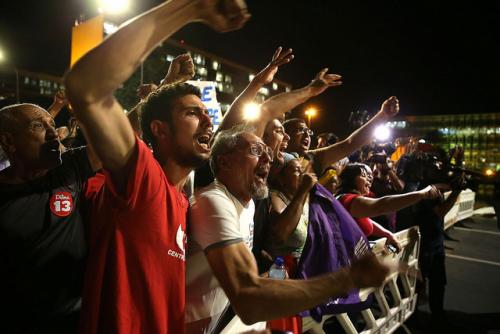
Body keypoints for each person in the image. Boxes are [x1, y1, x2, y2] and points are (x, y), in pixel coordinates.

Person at [64, 1, 250, 333]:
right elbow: (87, 90)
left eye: (206, 113)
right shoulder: (141, 178)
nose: (208, 119)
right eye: (193, 113)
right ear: (159, 131)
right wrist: (191, 8)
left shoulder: (181, 201)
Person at [185, 126, 391, 333]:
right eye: (256, 151)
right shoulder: (213, 201)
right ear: (224, 161)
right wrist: (347, 279)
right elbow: (246, 296)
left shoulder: (249, 205)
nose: (268, 159)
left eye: (268, 153)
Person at [0, 103, 99, 333]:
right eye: (38, 126)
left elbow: (121, 134)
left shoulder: (69, 170)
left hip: (77, 321)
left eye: (52, 124)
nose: (53, 132)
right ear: (8, 141)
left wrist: (164, 87)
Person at [284, 96, 401, 177]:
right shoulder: (272, 159)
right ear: (285, 136)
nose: (306, 135)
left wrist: (382, 115)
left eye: (308, 132)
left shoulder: (313, 158)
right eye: (300, 130)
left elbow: (349, 143)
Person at [336, 163, 440, 250]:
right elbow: (381, 206)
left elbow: (364, 220)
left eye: (370, 176)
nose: (369, 179)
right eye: (364, 175)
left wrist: (387, 234)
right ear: (350, 178)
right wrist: (421, 194)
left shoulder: (354, 204)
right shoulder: (347, 200)